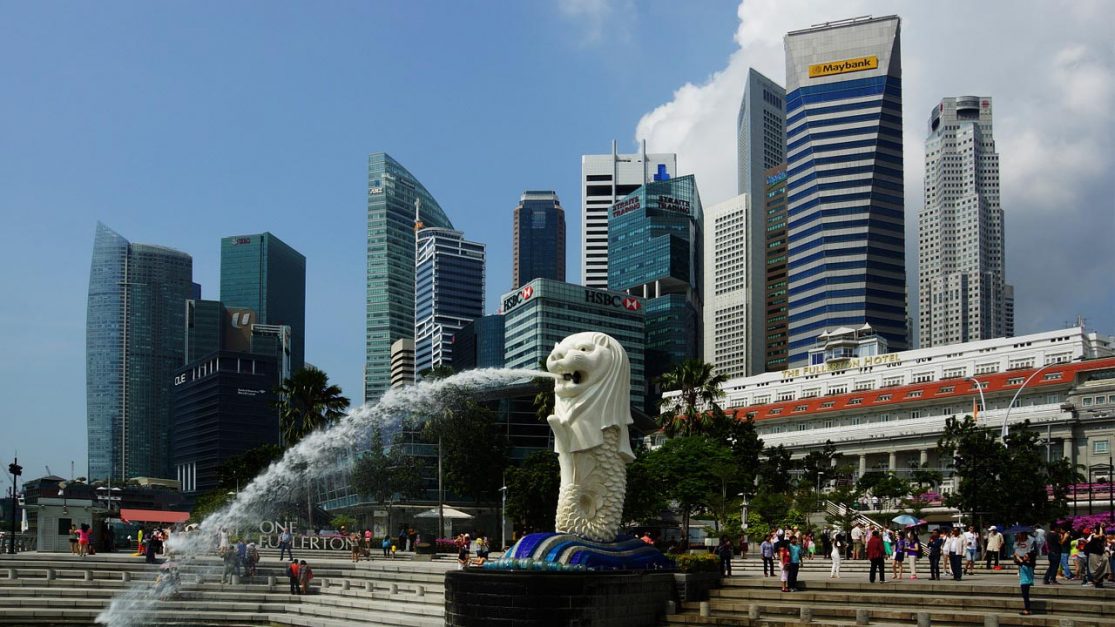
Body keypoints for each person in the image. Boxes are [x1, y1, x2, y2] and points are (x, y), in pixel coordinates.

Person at [1014, 531, 1037, 615]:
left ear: (1028, 559)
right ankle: (1027, 609)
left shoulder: (1025, 565)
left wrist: (1017, 556)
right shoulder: (1030, 565)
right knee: (1026, 596)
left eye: (1026, 556)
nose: (1024, 556)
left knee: (1025, 596)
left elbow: (1020, 562)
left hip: (1025, 582)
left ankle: (1027, 610)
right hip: (1027, 581)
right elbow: (1020, 561)